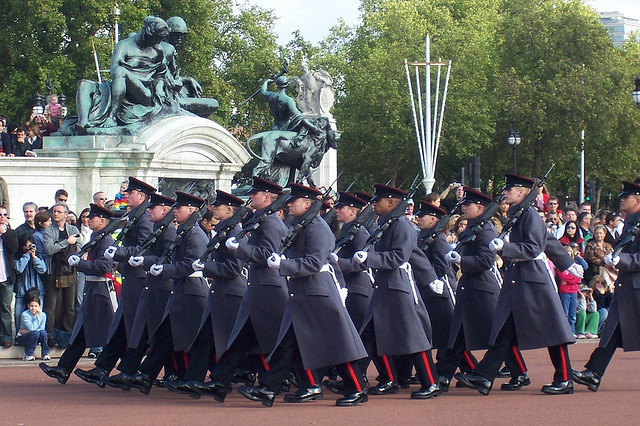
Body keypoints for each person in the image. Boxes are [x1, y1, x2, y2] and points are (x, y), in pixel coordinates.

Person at [238, 183, 368, 407]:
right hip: (302, 292)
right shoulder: (302, 225)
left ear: (308, 204)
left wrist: (284, 264)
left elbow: (315, 262)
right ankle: (274, 389)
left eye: (294, 201)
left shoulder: (317, 227)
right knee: (289, 343)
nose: (288, 204)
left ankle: (357, 388)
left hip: (318, 292)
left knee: (335, 344)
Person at [456, 173, 577, 395]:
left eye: (509, 190)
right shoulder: (520, 214)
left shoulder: (528, 215)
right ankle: (484, 376)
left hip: (533, 280)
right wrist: (566, 263)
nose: (504, 193)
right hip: (519, 279)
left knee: (554, 331)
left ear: (521, 193)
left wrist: (505, 248)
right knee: (505, 329)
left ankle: (565, 378)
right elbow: (547, 239)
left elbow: (533, 247)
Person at [179, 177, 289, 403]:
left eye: (255, 194)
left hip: (267, 290)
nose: (250, 197)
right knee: (240, 340)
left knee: (278, 342)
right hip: (255, 289)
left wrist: (240, 249)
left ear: (267, 197)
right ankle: (220, 383)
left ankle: (290, 383)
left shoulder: (270, 223)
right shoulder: (260, 220)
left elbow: (266, 256)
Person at [353, 183, 442, 400]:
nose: (374, 204)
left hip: (398, 287)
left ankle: (431, 382)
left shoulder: (401, 226)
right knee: (369, 334)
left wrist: (370, 259)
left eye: (378, 201)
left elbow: (399, 257)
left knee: (413, 337)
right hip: (384, 287)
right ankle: (386, 379)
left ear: (391, 203)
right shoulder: (388, 224)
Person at [112, 192, 208, 394]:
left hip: (191, 291)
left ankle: (202, 379)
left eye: (179, 208)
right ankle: (151, 375)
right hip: (180, 291)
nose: (176, 211)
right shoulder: (184, 231)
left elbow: (190, 264)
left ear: (191, 210)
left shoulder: (195, 234)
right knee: (167, 336)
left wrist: (165, 269)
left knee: (196, 340)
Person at [438, 188, 528, 392]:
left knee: (496, 335)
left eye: (467, 205)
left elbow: (487, 261)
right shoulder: (473, 226)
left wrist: (462, 261)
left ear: (480, 207)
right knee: (458, 335)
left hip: (482, 290)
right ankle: (443, 376)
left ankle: (520, 372)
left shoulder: (485, 229)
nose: (463, 207)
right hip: (470, 289)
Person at [165, 190, 248, 396]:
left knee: (236, 343)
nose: (213, 208)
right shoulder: (224, 230)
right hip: (220, 292)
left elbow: (232, 268)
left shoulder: (234, 233)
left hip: (232, 293)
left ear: (229, 209)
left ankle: (265, 380)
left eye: (217, 206)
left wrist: (205, 267)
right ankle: (195, 379)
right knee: (205, 338)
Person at [573, 180, 640, 392]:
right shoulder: (631, 222)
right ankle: (594, 373)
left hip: (636, 288)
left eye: (625, 197)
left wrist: (624, 261)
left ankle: (593, 373)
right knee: (610, 331)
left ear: (638, 200)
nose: (621, 199)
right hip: (628, 288)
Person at [39, 204, 116, 384]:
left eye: (93, 218)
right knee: (81, 331)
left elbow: (104, 267)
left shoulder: (105, 240)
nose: (89, 220)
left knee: (112, 333)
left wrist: (79, 264)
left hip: (102, 290)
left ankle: (105, 369)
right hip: (93, 290)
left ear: (103, 221)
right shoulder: (98, 237)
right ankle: (64, 368)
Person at [413, 201, 477, 388]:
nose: (417, 218)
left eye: (421, 216)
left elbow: (441, 268)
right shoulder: (424, 237)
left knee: (449, 335)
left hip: (441, 292)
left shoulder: (438, 240)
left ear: (433, 219)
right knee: (446, 335)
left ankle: (465, 369)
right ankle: (466, 369)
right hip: (429, 291)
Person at [331, 191, 373, 330]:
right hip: (349, 287)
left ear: (352, 211)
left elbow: (363, 262)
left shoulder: (360, 232)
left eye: (341, 207)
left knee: (360, 335)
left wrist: (338, 262)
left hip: (357, 290)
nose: (336, 210)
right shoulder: (346, 230)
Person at [43, 202, 79, 346]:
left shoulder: (73, 228)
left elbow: (79, 248)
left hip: (70, 270)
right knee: (51, 304)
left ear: (66, 214)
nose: (55, 214)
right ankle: (50, 335)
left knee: (69, 305)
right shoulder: (49, 231)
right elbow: (49, 249)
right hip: (54, 271)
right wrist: (66, 242)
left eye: (59, 211)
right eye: (54, 211)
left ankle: (68, 334)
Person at [13, 234, 47, 330]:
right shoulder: (17, 256)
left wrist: (34, 257)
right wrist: (26, 256)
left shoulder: (38, 255)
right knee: (18, 314)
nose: (28, 248)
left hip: (37, 289)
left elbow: (43, 269)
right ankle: (19, 336)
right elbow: (19, 268)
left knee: (38, 313)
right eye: (26, 246)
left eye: (31, 245)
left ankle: (38, 335)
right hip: (22, 289)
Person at [0, 205, 19, 348]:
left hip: (6, 277)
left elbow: (13, 248)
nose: (2, 217)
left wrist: (4, 234)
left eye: (4, 214)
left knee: (6, 308)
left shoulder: (11, 233)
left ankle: (6, 336)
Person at [15, 296, 49, 361]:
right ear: (28, 306)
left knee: (43, 333)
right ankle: (28, 354)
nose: (33, 308)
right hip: (23, 337)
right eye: (31, 306)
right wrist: (38, 316)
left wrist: (39, 315)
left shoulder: (43, 315)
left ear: (39, 306)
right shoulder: (25, 315)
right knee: (35, 333)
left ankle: (45, 353)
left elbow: (42, 328)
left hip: (35, 335)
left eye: (36, 306)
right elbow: (32, 328)